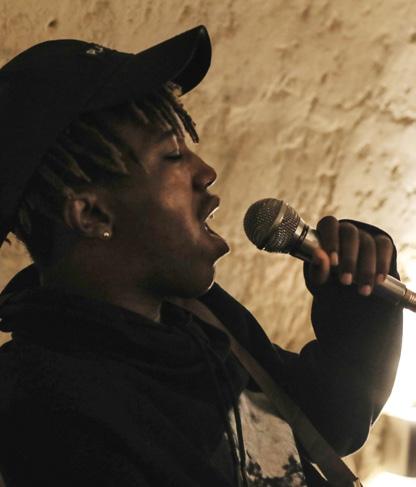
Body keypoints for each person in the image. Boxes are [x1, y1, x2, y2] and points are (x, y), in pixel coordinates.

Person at [0, 25, 402, 487]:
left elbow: (332, 420)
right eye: (172, 154)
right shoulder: (50, 409)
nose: (206, 171)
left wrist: (357, 295)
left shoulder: (196, 317)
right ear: (90, 212)